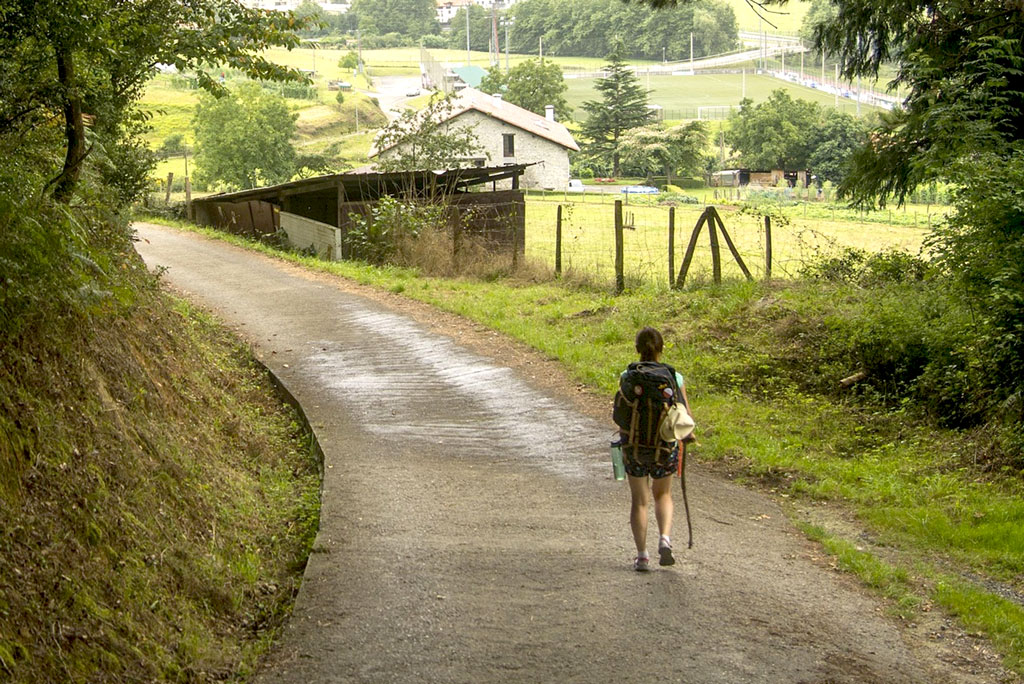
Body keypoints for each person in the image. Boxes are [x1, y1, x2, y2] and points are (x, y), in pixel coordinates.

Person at [620, 327, 691, 572]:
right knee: (664, 495)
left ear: (637, 349)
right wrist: (688, 437)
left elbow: (619, 414)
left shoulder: (627, 376)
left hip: (634, 447)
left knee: (640, 501)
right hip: (665, 447)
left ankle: (642, 556)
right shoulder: (674, 377)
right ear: (661, 349)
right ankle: (665, 539)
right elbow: (684, 416)